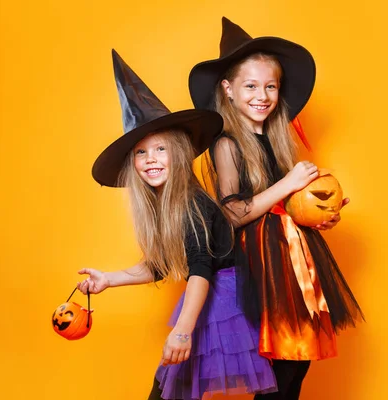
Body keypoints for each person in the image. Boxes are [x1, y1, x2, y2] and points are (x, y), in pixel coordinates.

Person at [78, 49, 277, 400]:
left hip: (221, 297)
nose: (150, 160)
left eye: (160, 150)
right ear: (132, 164)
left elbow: (201, 268)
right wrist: (109, 279)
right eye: (141, 153)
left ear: (179, 154)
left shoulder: (190, 202)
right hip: (207, 296)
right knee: (173, 389)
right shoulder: (165, 203)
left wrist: (184, 330)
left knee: (171, 389)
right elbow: (161, 266)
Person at [189, 17, 365, 400]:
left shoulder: (276, 140)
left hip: (290, 261)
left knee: (296, 365)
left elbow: (285, 207)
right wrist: (287, 185)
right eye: (250, 86)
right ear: (228, 90)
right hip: (259, 269)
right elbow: (233, 213)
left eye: (271, 86)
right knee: (276, 368)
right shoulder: (227, 145)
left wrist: (318, 213)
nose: (262, 95)